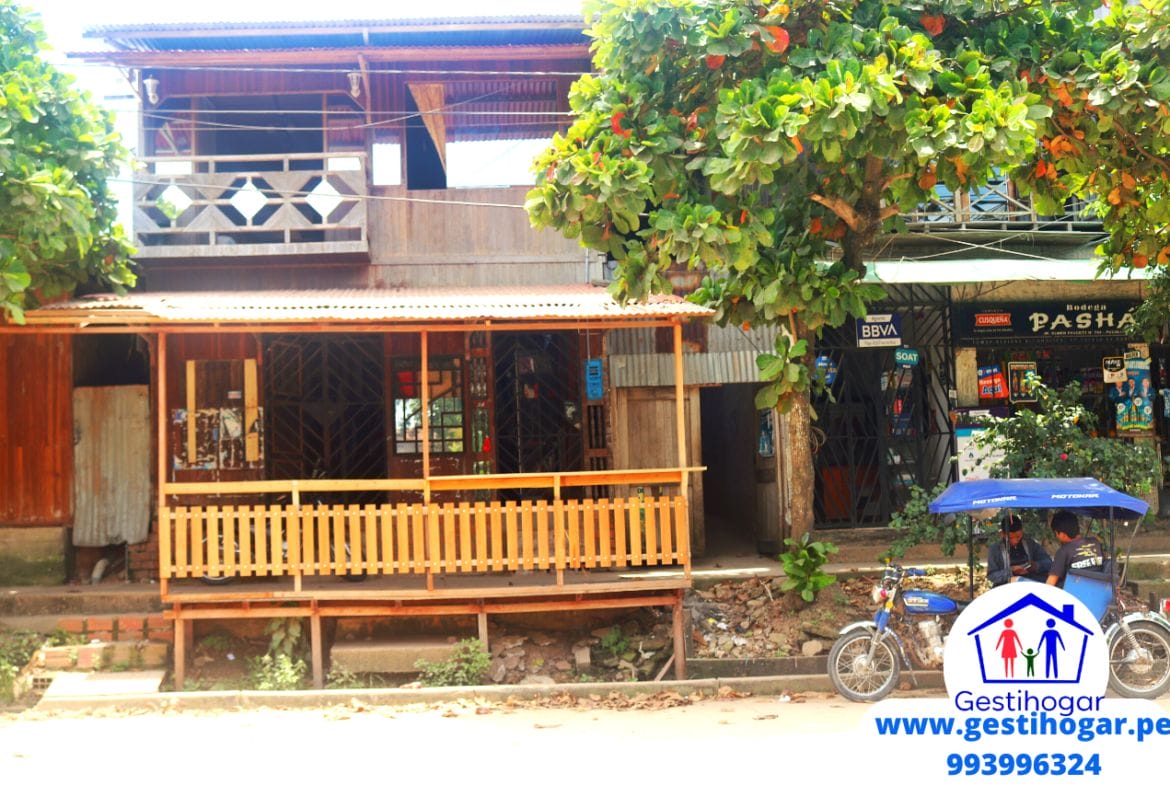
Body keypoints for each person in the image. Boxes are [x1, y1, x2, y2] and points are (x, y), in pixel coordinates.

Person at [987, 514, 1052, 586]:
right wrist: (1011, 571)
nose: (1015, 541)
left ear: (1022, 531)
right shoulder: (995, 549)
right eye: (1010, 538)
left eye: (1018, 536)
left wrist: (1036, 566)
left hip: (1032, 582)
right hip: (1007, 586)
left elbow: (1049, 562)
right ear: (1002, 534)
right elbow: (992, 575)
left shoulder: (1030, 543)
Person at [1046, 510, 1104, 589]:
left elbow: (1050, 584)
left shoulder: (1063, 551)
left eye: (1055, 534)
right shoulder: (1095, 542)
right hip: (1098, 589)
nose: (1056, 537)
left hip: (1073, 593)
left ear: (1062, 534)